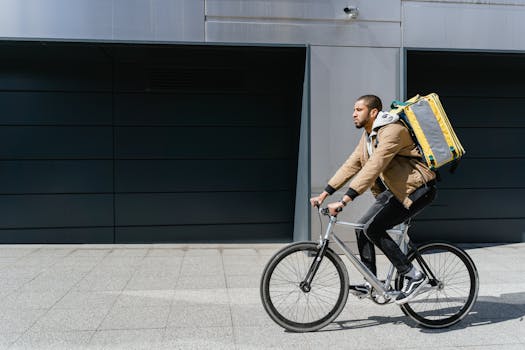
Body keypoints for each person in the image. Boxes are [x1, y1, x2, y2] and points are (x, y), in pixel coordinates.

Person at [310, 94, 437, 304]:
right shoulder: (370, 135)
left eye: (358, 109)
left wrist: (344, 201)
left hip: (417, 188)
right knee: (362, 228)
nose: (353, 114)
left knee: (374, 229)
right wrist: (325, 193)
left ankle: (414, 275)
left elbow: (374, 166)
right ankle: (371, 281)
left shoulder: (393, 131)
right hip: (398, 190)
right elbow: (353, 164)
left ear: (373, 112)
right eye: (353, 109)